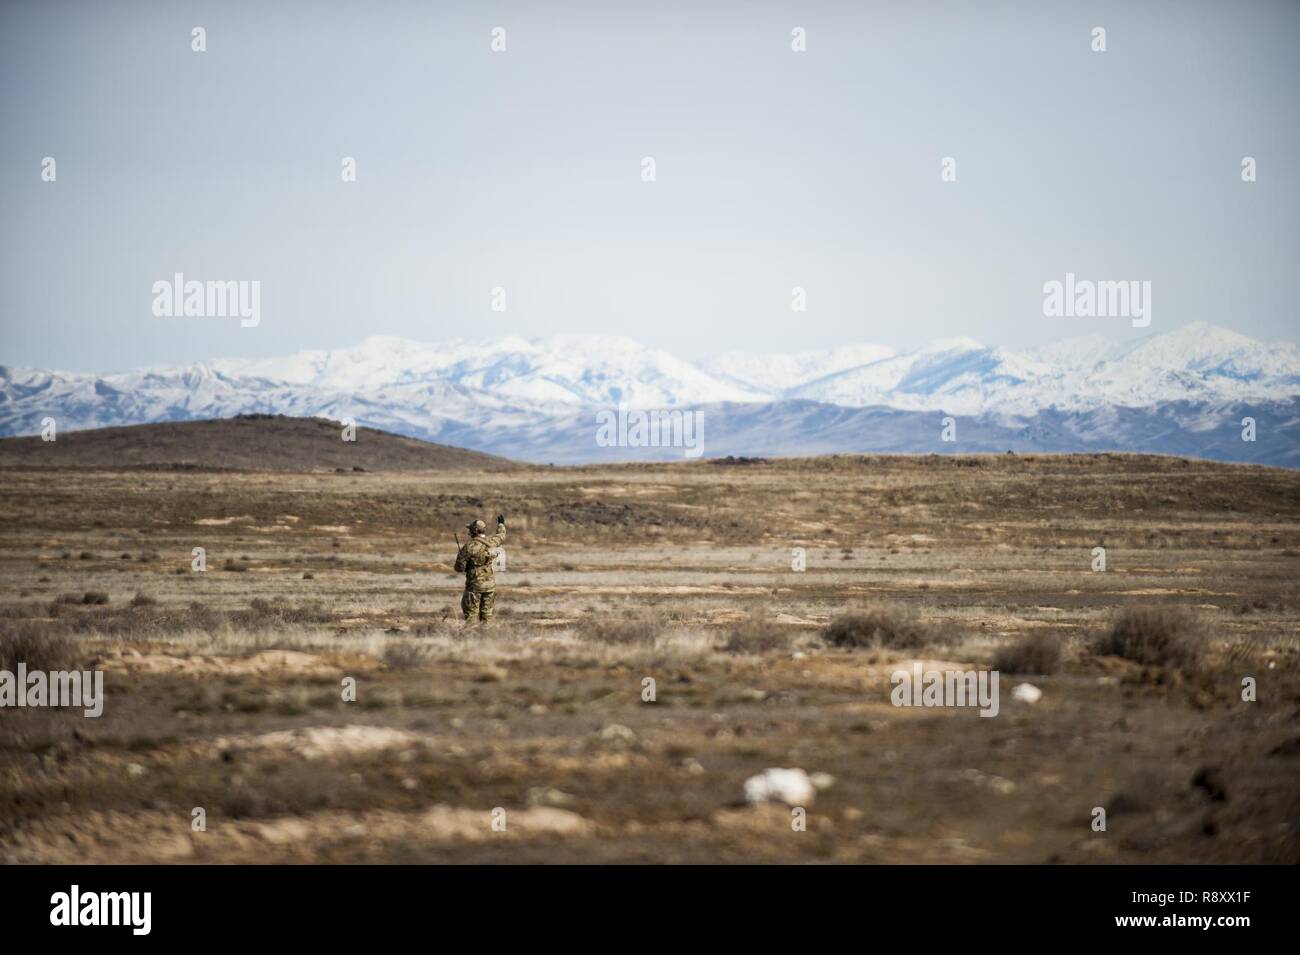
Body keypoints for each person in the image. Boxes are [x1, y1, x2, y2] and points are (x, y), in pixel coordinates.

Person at [454, 514, 506, 623]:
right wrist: (501, 525)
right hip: (490, 586)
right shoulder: (492, 542)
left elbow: (458, 568)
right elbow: (501, 535)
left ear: (475, 531)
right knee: (487, 618)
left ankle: (471, 637)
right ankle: (485, 637)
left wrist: (466, 565)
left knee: (471, 617)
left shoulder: (469, 547)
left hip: (474, 586)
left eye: (471, 530)